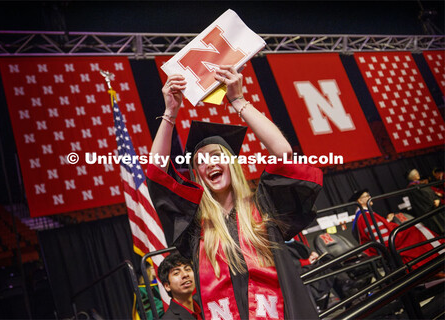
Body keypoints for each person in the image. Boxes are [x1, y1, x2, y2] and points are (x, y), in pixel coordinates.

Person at [146, 66, 323, 319]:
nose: (210, 164)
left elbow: (283, 153)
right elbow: (155, 173)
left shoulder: (264, 206)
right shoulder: (195, 225)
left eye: (217, 156)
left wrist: (239, 100)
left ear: (232, 165)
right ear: (197, 174)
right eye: (202, 161)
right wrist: (169, 113)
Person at [350, 189, 443, 269]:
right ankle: (439, 256)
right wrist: (389, 223)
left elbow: (378, 230)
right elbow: (381, 238)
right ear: (359, 201)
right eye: (366, 196)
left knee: (412, 227)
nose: (370, 197)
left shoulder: (363, 215)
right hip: (387, 244)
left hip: (387, 240)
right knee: (416, 229)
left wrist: (387, 221)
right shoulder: (364, 216)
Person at [158, 252, 202, 320]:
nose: (185, 275)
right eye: (176, 273)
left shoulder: (204, 302)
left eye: (187, 269)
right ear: (167, 286)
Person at [406, 168, 443, 234]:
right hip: (429, 210)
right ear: (412, 176)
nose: (418, 174)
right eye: (416, 174)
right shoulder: (413, 188)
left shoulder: (420, 184)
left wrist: (437, 198)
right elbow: (423, 200)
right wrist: (433, 201)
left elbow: (431, 193)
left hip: (435, 207)